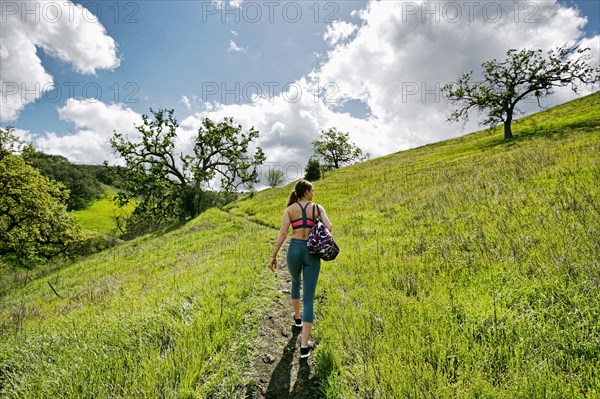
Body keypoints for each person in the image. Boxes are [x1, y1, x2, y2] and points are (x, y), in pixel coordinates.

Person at [269, 179, 333, 359]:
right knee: (309, 299)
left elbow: (283, 233)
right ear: (306, 191)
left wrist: (274, 255)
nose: (313, 194)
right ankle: (305, 347)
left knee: (296, 282)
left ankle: (297, 319)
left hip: (295, 250)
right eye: (312, 190)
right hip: (312, 251)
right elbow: (329, 227)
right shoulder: (317, 208)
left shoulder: (290, 210)